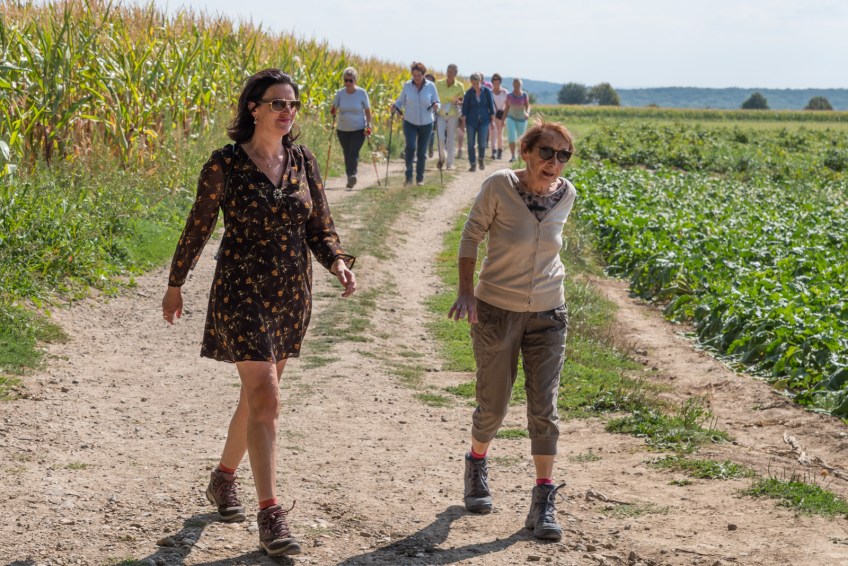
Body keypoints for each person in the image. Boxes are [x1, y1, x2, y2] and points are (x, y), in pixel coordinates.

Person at [161, 68, 357, 558]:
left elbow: (320, 226)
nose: (287, 111)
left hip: (291, 294)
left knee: (256, 401)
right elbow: (198, 226)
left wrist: (336, 261)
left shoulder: (303, 160)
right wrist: (175, 283)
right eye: (277, 103)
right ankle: (271, 513)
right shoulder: (225, 163)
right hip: (241, 290)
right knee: (266, 396)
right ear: (254, 108)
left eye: (293, 104)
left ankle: (223, 477)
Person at [448, 120, 577, 542]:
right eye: (546, 152)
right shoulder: (499, 186)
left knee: (544, 408)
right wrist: (466, 293)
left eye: (563, 155)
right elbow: (471, 237)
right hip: (496, 310)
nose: (554, 162)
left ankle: (543, 499)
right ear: (526, 152)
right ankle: (476, 461)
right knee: (494, 406)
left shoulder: (567, 194)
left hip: (549, 313)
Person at [393, 61, 440, 186]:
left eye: (419, 75)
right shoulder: (407, 86)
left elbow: (437, 102)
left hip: (427, 122)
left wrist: (436, 105)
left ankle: (420, 178)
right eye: (414, 75)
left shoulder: (430, 86)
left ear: (423, 74)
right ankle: (408, 177)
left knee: (421, 152)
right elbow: (400, 101)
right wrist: (395, 106)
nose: (417, 78)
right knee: (410, 148)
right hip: (410, 121)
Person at [331, 67, 372, 189]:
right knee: (347, 153)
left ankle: (352, 175)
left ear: (355, 80)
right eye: (346, 80)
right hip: (342, 129)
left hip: (359, 129)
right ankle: (350, 176)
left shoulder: (361, 93)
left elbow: (367, 111)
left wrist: (368, 124)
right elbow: (334, 107)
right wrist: (333, 111)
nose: (348, 83)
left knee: (353, 152)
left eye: (350, 80)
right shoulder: (340, 93)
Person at [461, 73, 495, 172]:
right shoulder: (468, 93)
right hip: (471, 121)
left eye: (477, 83)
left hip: (484, 121)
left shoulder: (487, 92)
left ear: (480, 82)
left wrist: (492, 121)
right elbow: (464, 109)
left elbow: (491, 107)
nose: (475, 86)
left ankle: (481, 159)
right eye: (473, 84)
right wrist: (463, 124)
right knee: (470, 144)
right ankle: (472, 164)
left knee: (482, 143)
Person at [435, 64, 465, 170]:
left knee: (451, 139)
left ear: (455, 74)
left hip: (453, 114)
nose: (449, 73)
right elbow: (434, 97)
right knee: (440, 138)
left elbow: (461, 101)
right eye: (448, 71)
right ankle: (441, 158)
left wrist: (458, 101)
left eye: (452, 72)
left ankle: (450, 163)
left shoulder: (459, 86)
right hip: (440, 114)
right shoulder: (438, 84)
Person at [503, 78, 531, 162]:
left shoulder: (524, 95)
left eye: (518, 84)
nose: (517, 86)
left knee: (521, 139)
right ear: (513, 85)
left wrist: (527, 113)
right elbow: (506, 108)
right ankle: (513, 156)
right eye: (515, 84)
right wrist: (503, 119)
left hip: (522, 119)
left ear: (521, 85)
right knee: (511, 137)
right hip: (511, 118)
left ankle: (520, 156)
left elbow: (528, 106)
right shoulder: (509, 96)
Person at [489, 73, 508, 160]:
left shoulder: (504, 92)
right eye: (494, 79)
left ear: (500, 81)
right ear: (492, 81)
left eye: (498, 79)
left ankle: (500, 150)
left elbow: (507, 105)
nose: (496, 81)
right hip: (492, 115)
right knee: (492, 133)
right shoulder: (489, 92)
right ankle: (493, 151)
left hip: (501, 116)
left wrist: (504, 117)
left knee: (500, 134)